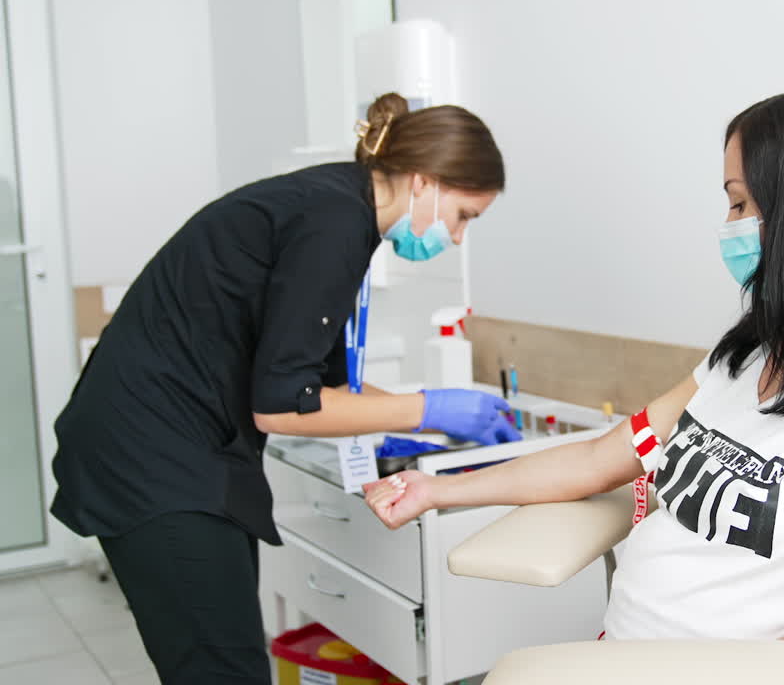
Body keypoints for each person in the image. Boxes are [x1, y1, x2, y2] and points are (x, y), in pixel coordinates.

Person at [363, 85, 784, 683]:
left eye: (740, 203)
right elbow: (600, 459)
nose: (728, 224)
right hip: (623, 656)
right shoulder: (754, 352)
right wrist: (438, 489)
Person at [50, 93, 519, 685]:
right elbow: (282, 406)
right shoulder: (333, 223)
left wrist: (429, 418)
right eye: (463, 216)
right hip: (153, 460)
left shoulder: (336, 206)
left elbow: (318, 379)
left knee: (229, 658)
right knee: (224, 670)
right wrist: (431, 406)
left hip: (168, 444)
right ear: (424, 181)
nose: (455, 237)